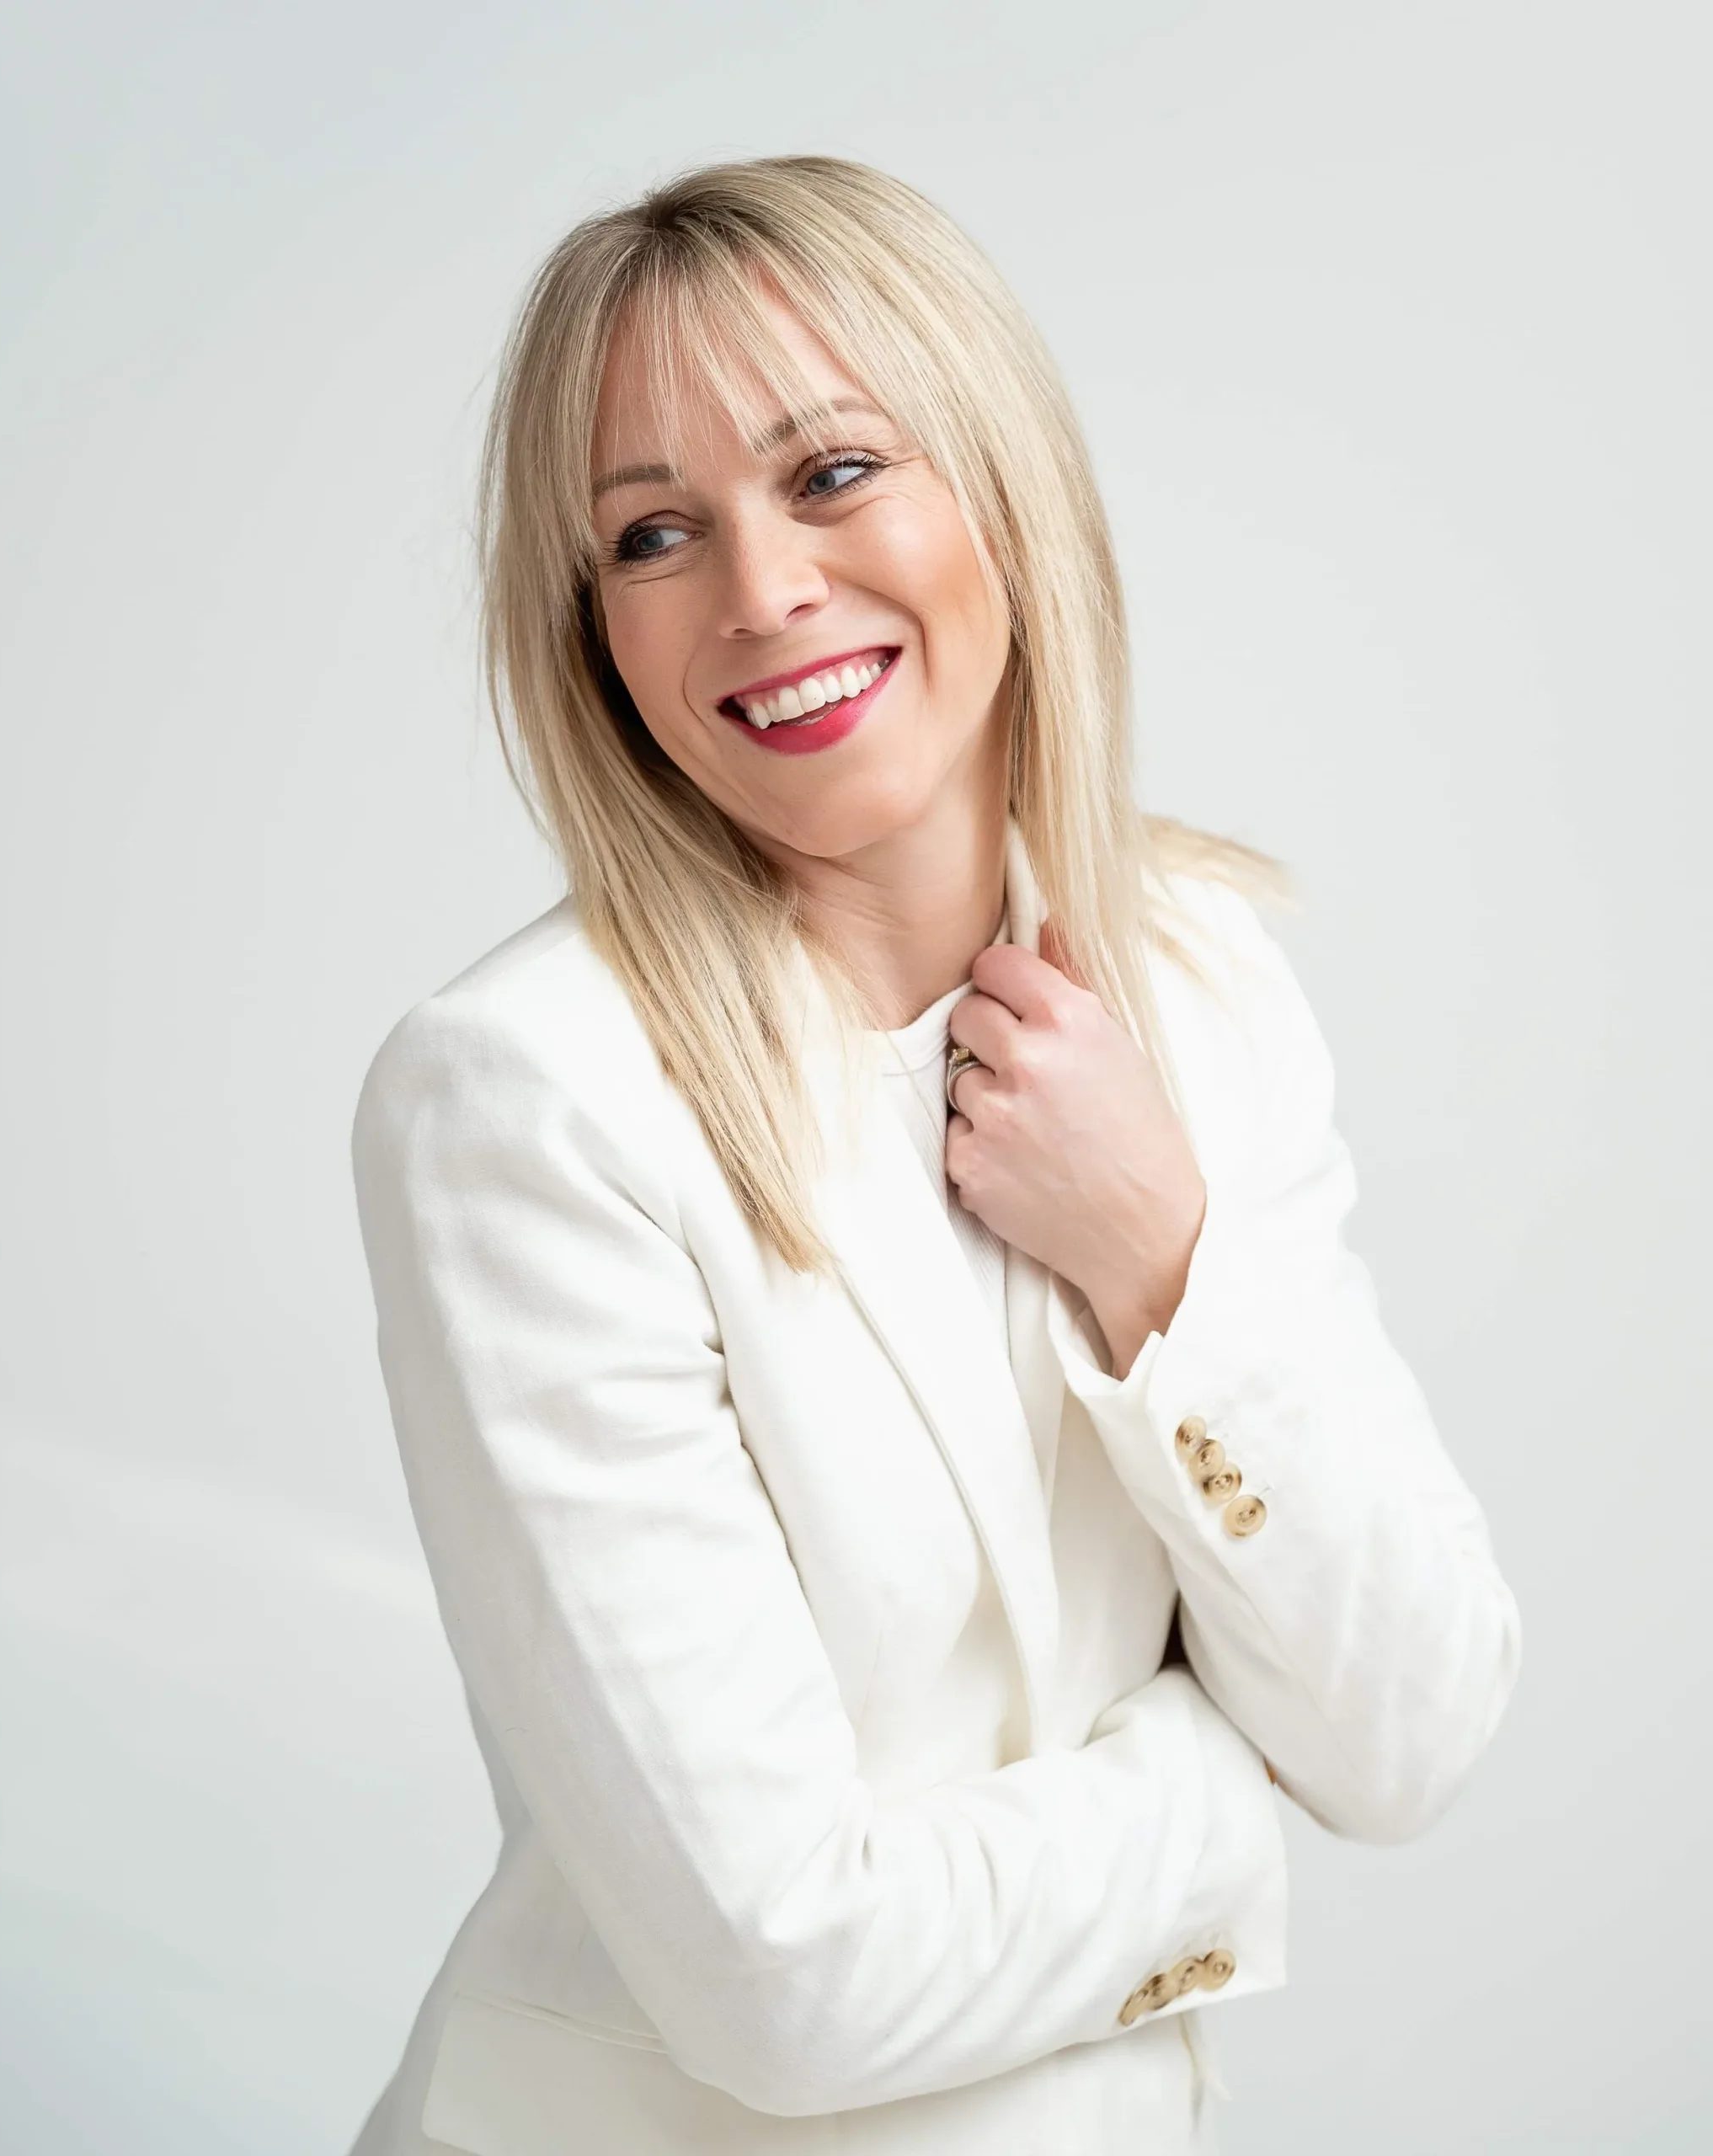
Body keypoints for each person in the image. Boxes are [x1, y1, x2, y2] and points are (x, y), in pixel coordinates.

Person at [346, 155, 1520, 2156]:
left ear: (1000, 482)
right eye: (653, 534)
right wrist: (1226, 1791)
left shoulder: (1192, 977)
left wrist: (1159, 1257)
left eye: (829, 473)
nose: (760, 592)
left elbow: (1409, 1725)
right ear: (593, 631)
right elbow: (786, 1977)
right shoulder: (530, 1100)